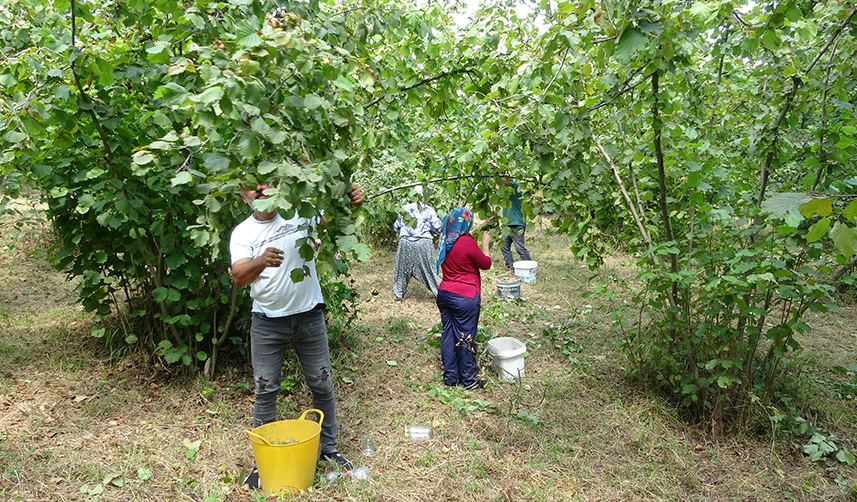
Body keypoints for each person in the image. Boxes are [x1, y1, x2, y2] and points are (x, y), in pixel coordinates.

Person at [230, 176, 364, 488]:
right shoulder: (243, 233)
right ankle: (264, 463)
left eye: (266, 183)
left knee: (322, 383)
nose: (260, 189)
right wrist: (261, 261)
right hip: (266, 322)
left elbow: (334, 220)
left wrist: (350, 201)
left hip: (309, 317)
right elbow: (238, 276)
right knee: (265, 388)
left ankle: (328, 450)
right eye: (253, 185)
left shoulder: (299, 214)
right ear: (242, 194)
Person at [435, 207, 492, 390]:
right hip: (465, 296)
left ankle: (451, 378)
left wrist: (483, 226)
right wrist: (485, 244)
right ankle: (469, 380)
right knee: (466, 337)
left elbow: (462, 242)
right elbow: (486, 263)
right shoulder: (466, 242)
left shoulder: (445, 241)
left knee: (448, 335)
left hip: (444, 294)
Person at [392, 185, 442, 301]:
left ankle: (398, 295)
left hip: (405, 243)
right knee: (430, 272)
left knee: (401, 271)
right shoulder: (428, 209)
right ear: (424, 197)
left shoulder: (404, 208)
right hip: (424, 243)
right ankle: (440, 293)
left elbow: (396, 226)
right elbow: (438, 228)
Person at [499, 176, 532, 274]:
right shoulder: (506, 194)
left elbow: (503, 180)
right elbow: (498, 185)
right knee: (504, 246)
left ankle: (530, 268)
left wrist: (496, 169)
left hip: (517, 224)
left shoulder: (516, 188)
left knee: (520, 248)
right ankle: (511, 268)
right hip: (507, 225)